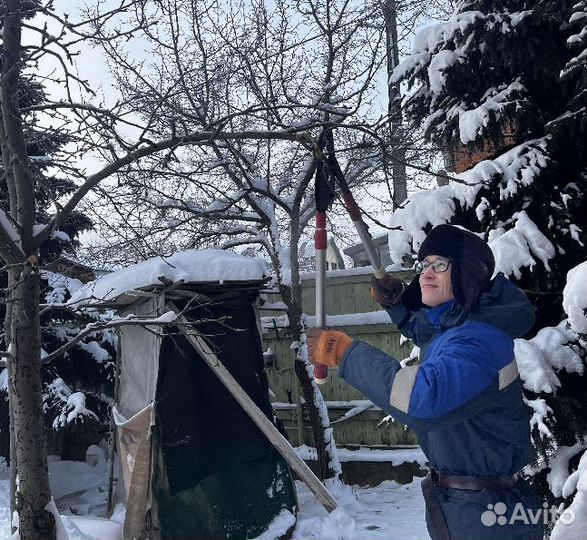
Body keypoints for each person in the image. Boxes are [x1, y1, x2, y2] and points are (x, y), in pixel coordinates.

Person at [308, 224, 543, 540]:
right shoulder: (467, 327)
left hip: (486, 517)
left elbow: (423, 399)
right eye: (424, 266)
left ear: (467, 274)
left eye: (440, 265)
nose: (426, 274)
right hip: (471, 508)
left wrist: (344, 353)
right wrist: (399, 302)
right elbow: (433, 335)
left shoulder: (480, 341)